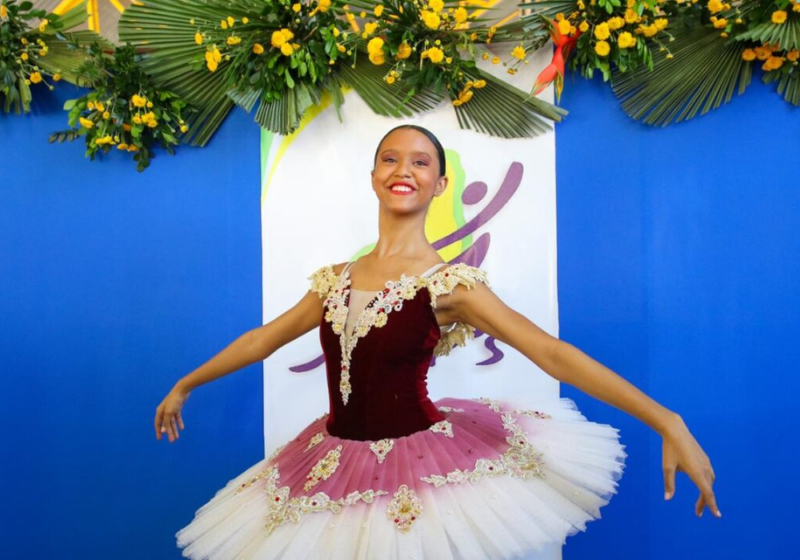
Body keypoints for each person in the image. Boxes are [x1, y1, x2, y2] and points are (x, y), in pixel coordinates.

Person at [155, 124, 720, 559]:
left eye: (421, 161)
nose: (404, 169)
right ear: (374, 175)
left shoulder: (449, 285)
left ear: (440, 182)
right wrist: (185, 383)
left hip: (417, 469)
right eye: (391, 158)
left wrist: (665, 419)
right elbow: (261, 341)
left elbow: (550, 353)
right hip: (330, 463)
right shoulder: (334, 281)